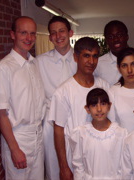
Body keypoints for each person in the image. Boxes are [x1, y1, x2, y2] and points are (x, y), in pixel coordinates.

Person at [48, 37, 110, 180]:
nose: (91, 61)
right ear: (76, 57)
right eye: (86, 56)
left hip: (101, 156)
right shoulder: (64, 91)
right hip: (75, 158)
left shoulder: (105, 86)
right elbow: (58, 130)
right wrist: (63, 167)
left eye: (95, 56)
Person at [0, 16, 46, 180]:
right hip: (18, 138)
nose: (29, 38)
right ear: (13, 35)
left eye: (32, 33)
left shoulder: (34, 63)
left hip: (38, 136)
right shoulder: (3, 68)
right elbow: (1, 114)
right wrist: (15, 149)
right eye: (23, 33)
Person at [35, 16, 77, 180]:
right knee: (53, 168)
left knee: (78, 164)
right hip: (51, 122)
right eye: (53, 33)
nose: (58, 36)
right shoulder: (40, 62)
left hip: (77, 119)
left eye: (61, 31)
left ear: (70, 33)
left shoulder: (81, 59)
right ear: (50, 37)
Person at [69, 88, 127, 179]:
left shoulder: (121, 134)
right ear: (87, 109)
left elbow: (124, 167)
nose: (99, 109)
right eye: (94, 105)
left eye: (103, 104)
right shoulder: (81, 134)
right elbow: (78, 166)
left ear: (109, 106)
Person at [94, 20, 134, 85]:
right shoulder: (98, 64)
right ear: (106, 40)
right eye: (110, 37)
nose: (116, 39)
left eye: (119, 35)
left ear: (127, 36)